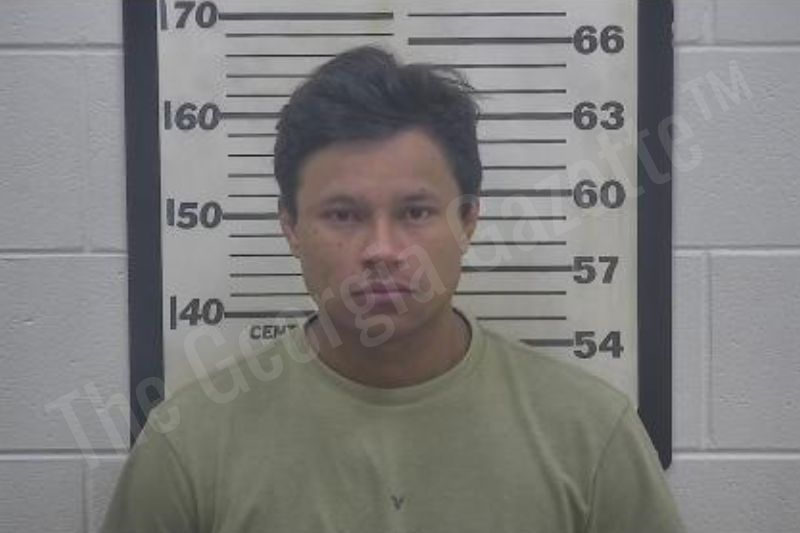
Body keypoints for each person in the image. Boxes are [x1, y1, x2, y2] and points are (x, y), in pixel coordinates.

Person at [102, 45, 685, 533]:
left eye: (415, 212)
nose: (381, 249)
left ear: (469, 220)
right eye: (343, 214)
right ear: (290, 227)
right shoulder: (188, 448)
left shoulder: (591, 437)